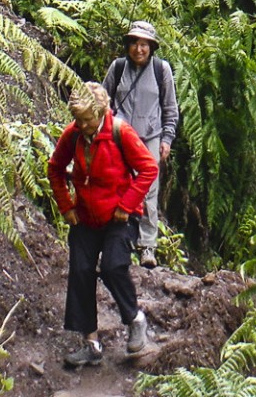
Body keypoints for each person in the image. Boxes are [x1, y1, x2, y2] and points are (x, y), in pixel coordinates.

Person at [49, 82, 157, 366]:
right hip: (86, 215)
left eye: (88, 119)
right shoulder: (72, 136)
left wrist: (126, 205)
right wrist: (66, 206)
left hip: (120, 216)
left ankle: (135, 319)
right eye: (78, 119)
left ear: (101, 113)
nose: (82, 125)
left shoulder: (120, 133)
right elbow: (55, 168)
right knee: (81, 271)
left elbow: (148, 168)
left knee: (113, 267)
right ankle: (91, 343)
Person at [102, 21, 179, 268]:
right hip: (120, 137)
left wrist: (166, 139)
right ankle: (114, 243)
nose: (139, 49)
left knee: (149, 192)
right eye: (134, 43)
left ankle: (147, 247)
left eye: (144, 44)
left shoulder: (161, 70)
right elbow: (103, 101)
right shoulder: (118, 67)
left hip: (150, 138)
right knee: (116, 187)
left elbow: (170, 108)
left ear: (151, 47)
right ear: (128, 45)